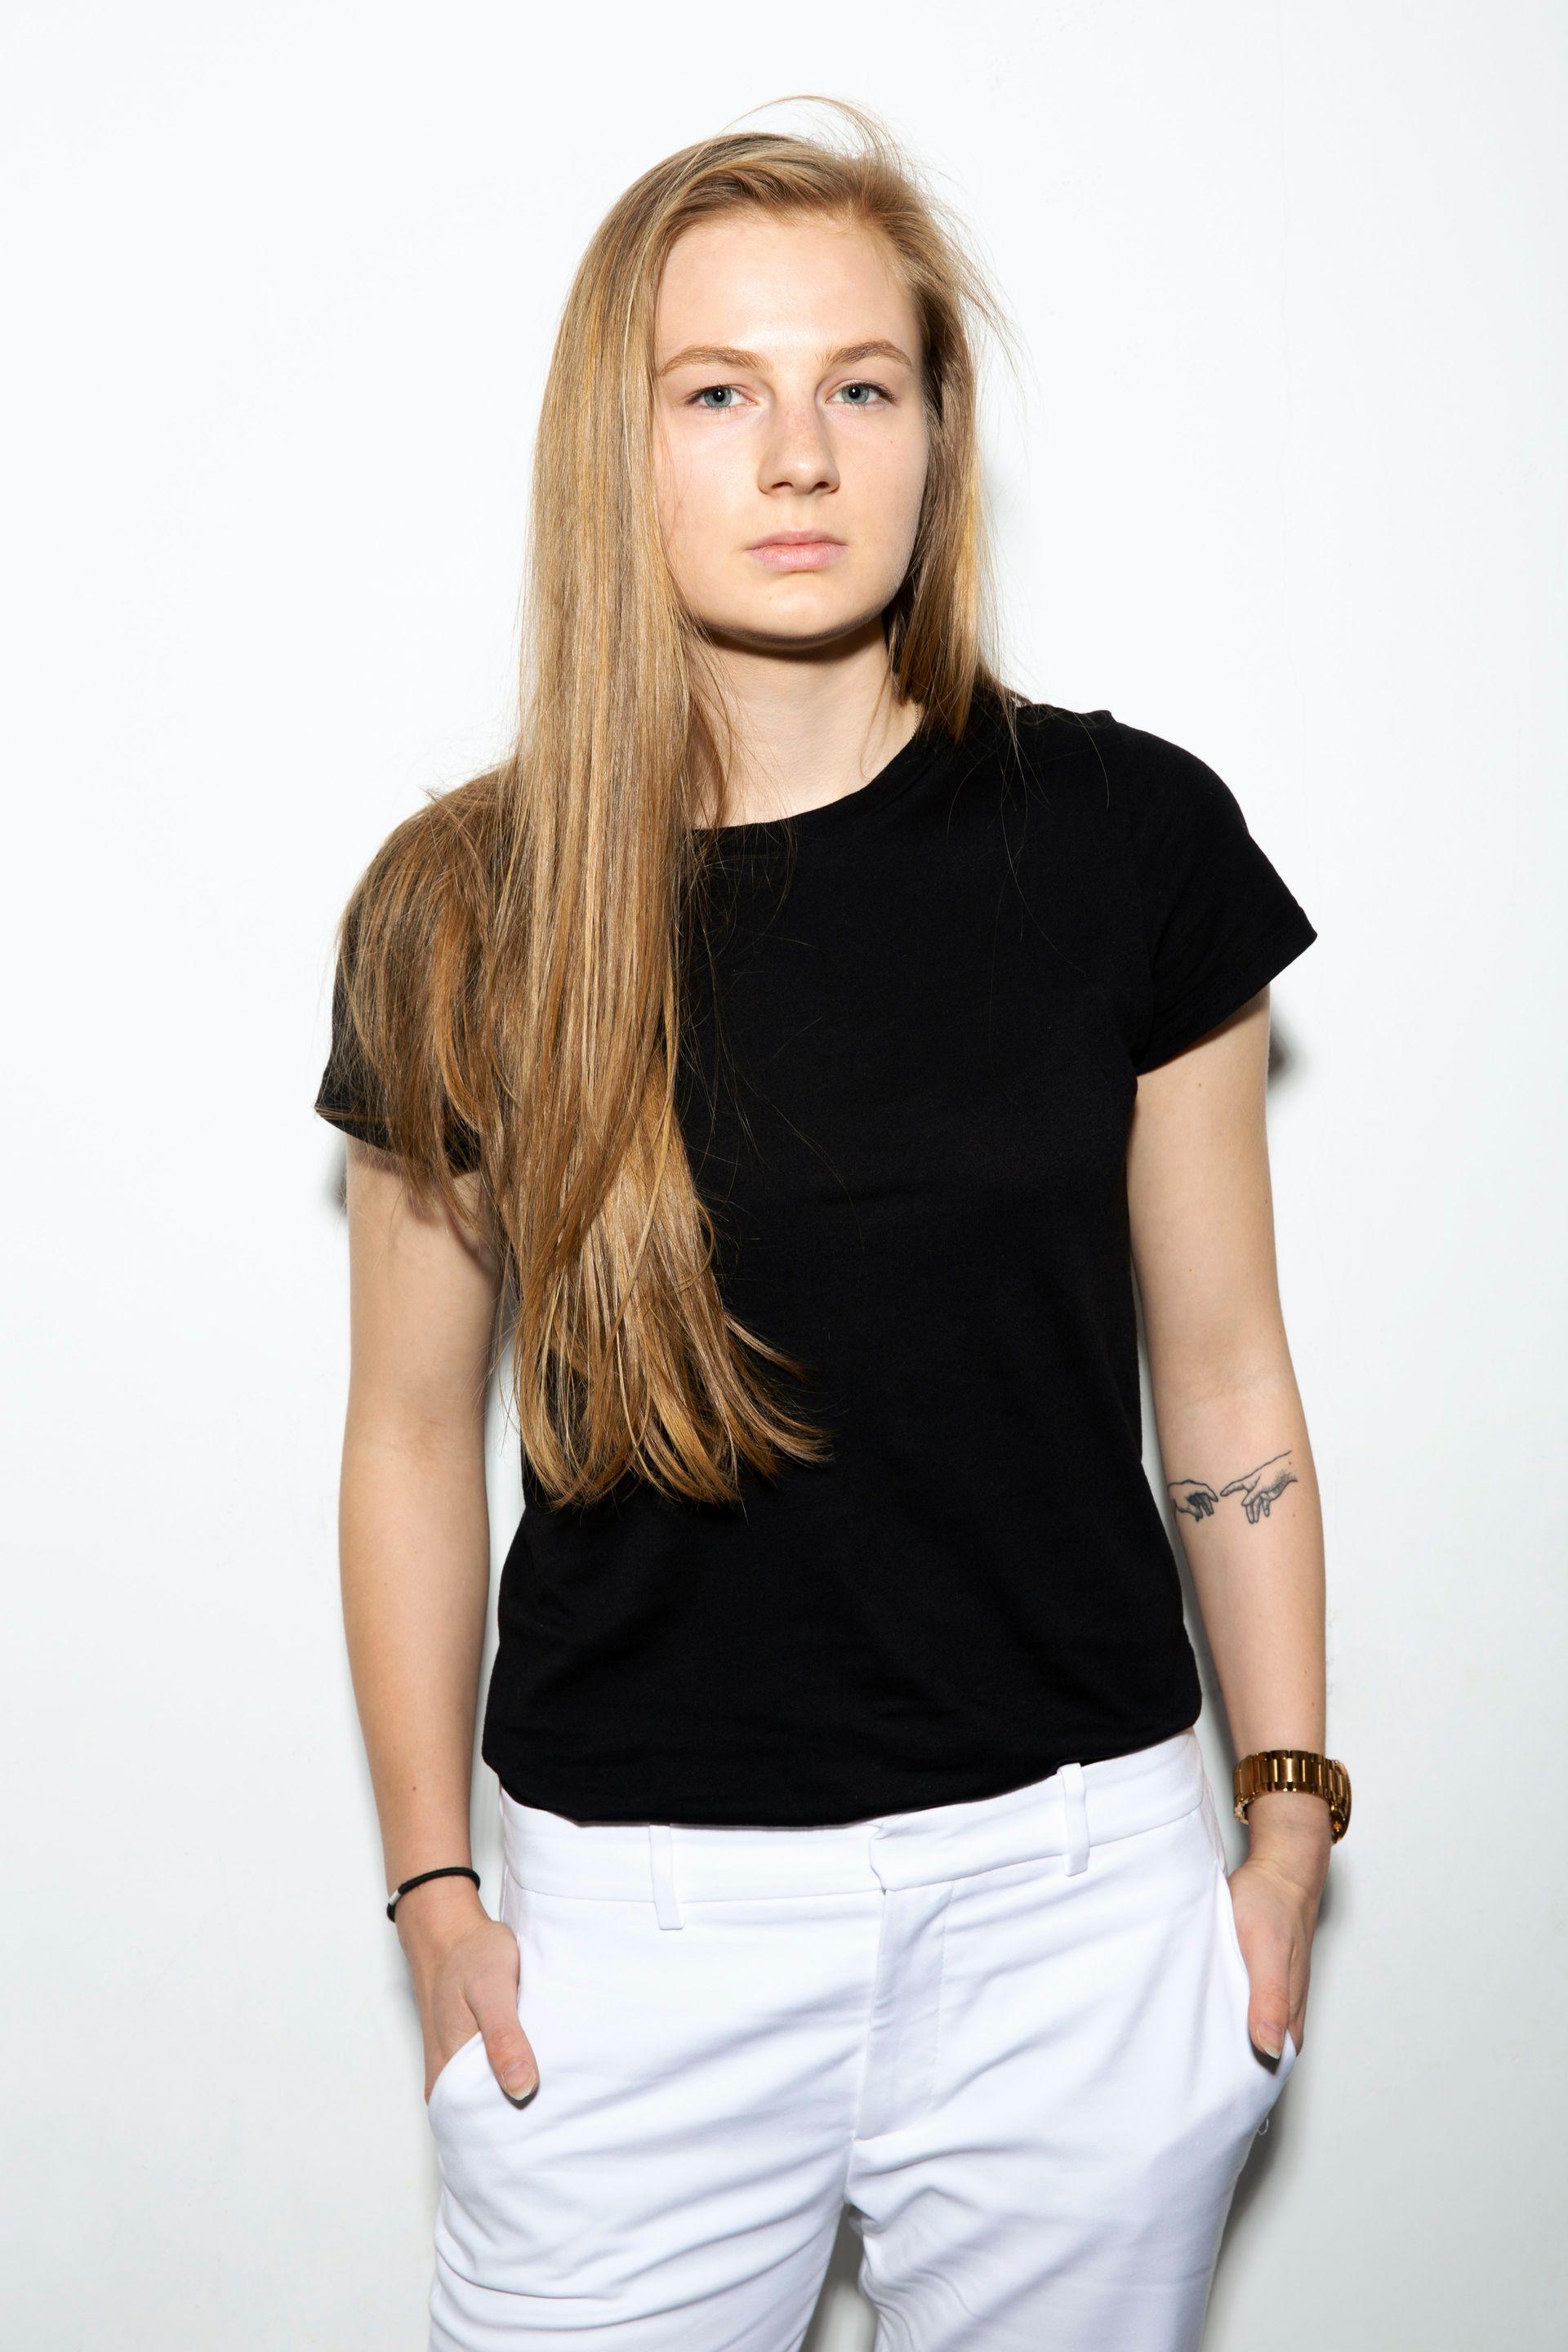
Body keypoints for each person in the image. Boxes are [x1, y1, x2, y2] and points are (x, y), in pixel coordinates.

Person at [314, 98, 1350, 2352]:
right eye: (720, 393)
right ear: (618, 446)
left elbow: (1226, 1370)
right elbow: (405, 1435)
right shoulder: (465, 911)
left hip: (1076, 1914)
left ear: (935, 434)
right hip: (629, 1944)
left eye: (860, 386)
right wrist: (433, 1895)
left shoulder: (1131, 841)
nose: (800, 455)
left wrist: (1284, 1822)